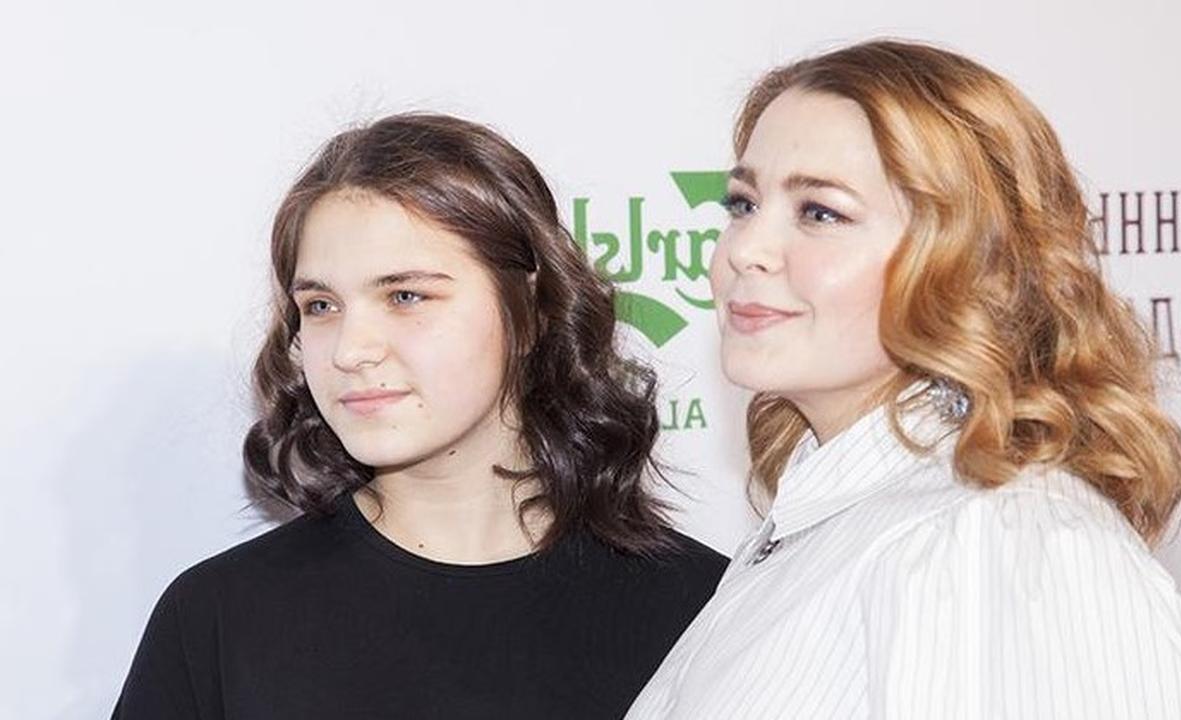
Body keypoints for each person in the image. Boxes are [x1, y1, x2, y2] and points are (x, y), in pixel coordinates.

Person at [628, 40, 1181, 719]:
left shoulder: (998, 544)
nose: (745, 250)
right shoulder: (836, 523)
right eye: (742, 204)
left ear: (969, 258)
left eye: (820, 213)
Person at [113, 112, 727, 719]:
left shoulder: (702, 613)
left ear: (532, 310)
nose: (350, 350)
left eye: (406, 296)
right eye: (321, 305)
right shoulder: (218, 620)